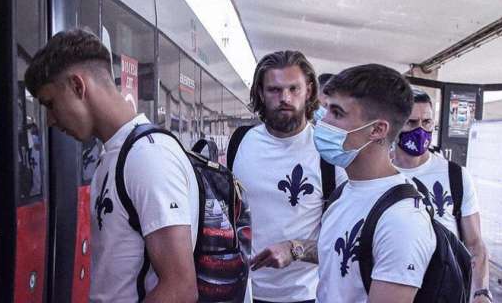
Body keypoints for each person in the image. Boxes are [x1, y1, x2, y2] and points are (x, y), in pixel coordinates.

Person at [24, 29, 199, 302]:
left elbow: (180, 288)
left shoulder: (149, 157)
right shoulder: (114, 155)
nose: (50, 120)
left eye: (51, 104)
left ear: (77, 86)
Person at [229, 50, 346, 303]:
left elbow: (343, 243)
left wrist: (295, 250)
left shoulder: (329, 156)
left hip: (306, 296)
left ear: (309, 90)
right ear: (260, 92)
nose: (285, 98)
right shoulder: (240, 142)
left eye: (294, 89)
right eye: (274, 90)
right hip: (242, 293)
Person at [314, 64, 435, 303]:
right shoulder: (344, 193)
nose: (323, 122)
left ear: (377, 130)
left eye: (337, 113)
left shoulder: (401, 219)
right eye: (326, 110)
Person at [392, 90, 491, 303]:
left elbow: (474, 243)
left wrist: (480, 292)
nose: (420, 130)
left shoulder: (455, 175)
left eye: (427, 122)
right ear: (394, 124)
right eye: (411, 123)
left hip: (446, 290)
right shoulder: (380, 173)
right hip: (392, 285)